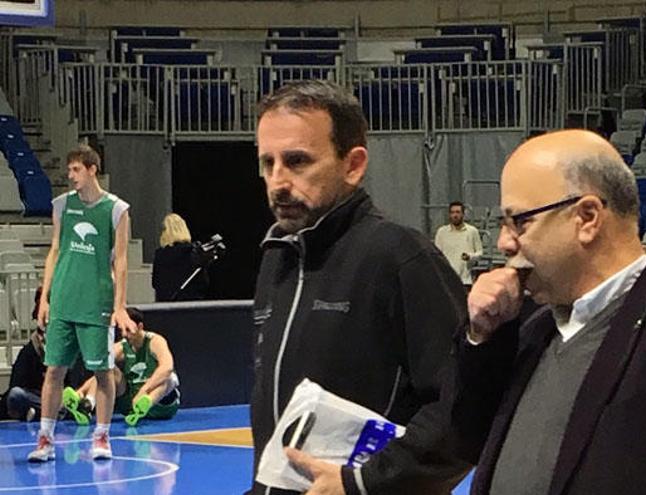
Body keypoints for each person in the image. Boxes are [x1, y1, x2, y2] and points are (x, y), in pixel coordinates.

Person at [451, 130, 646, 494]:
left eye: (519, 221)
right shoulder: (530, 327)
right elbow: (465, 442)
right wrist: (481, 339)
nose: (504, 242)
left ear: (587, 217)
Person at [250, 80, 470, 495]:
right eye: (267, 163)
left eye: (297, 162)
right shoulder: (275, 260)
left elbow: (463, 408)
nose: (278, 182)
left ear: (352, 165)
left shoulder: (401, 257)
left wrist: (363, 483)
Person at [28, 144, 138, 463]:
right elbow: (54, 252)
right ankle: (45, 439)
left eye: (76, 170)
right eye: (69, 170)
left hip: (97, 302)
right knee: (54, 371)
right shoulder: (62, 205)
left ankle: (101, 436)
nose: (71, 176)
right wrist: (45, 297)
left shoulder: (117, 210)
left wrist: (119, 306)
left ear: (92, 170)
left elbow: (120, 261)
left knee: (102, 372)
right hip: (64, 299)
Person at [62, 307, 179, 427]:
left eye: (128, 330)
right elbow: (101, 365)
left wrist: (144, 391)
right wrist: (81, 392)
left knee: (170, 378)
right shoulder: (123, 346)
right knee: (106, 368)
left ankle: (146, 403)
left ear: (140, 327)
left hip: (160, 404)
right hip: (131, 404)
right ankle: (86, 405)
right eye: (122, 330)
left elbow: (167, 367)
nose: (124, 334)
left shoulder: (155, 341)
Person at [0, 287, 89, 422]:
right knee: (16, 395)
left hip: (66, 397)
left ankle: (42, 413)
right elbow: (16, 388)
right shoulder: (30, 351)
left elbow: (77, 384)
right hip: (38, 398)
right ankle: (60, 413)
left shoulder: (73, 347)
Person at [152, 213, 208, 301]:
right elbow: (203, 282)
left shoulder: (160, 254)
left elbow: (155, 283)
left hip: (166, 306)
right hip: (192, 304)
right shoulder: (194, 252)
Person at [434, 201, 484, 287]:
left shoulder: (472, 231)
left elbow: (480, 253)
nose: (455, 215)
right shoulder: (441, 232)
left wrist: (470, 257)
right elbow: (436, 254)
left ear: (463, 214)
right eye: (452, 212)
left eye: (458, 212)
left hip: (465, 279)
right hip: (447, 279)